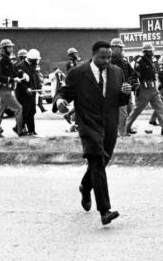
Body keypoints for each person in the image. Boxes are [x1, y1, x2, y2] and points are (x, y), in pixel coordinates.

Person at [53, 40, 131, 226]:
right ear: (93, 55)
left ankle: (85, 186)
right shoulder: (78, 73)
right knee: (96, 160)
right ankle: (105, 210)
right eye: (102, 57)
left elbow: (119, 101)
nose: (106, 61)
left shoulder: (117, 72)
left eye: (109, 57)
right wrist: (60, 102)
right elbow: (63, 93)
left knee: (103, 160)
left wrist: (126, 93)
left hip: (109, 124)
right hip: (88, 124)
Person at [125, 43, 163, 135]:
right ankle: (126, 128)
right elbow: (135, 75)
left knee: (160, 108)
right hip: (144, 89)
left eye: (152, 50)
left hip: (153, 89)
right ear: (146, 52)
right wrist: (135, 84)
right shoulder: (140, 61)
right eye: (151, 51)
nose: (152, 52)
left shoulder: (151, 60)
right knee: (137, 110)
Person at [0, 38, 25, 135]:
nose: (11, 49)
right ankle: (20, 131)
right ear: (4, 48)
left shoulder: (8, 61)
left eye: (11, 47)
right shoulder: (0, 61)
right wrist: (12, 79)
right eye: (9, 47)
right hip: (3, 89)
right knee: (19, 108)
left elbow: (14, 72)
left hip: (8, 89)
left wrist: (22, 74)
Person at [108, 38, 138, 135]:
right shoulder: (108, 61)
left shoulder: (124, 61)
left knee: (129, 110)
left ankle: (125, 129)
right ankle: (120, 132)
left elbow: (133, 74)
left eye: (121, 47)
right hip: (114, 92)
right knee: (120, 113)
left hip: (126, 91)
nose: (121, 49)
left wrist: (133, 83)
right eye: (119, 47)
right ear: (113, 48)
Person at [16, 49, 42, 135]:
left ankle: (32, 130)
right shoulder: (20, 66)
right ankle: (19, 128)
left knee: (32, 111)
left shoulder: (32, 66)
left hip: (32, 93)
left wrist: (39, 87)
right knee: (25, 112)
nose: (37, 62)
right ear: (32, 59)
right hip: (23, 94)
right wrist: (26, 88)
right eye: (36, 60)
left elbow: (36, 77)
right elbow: (20, 82)